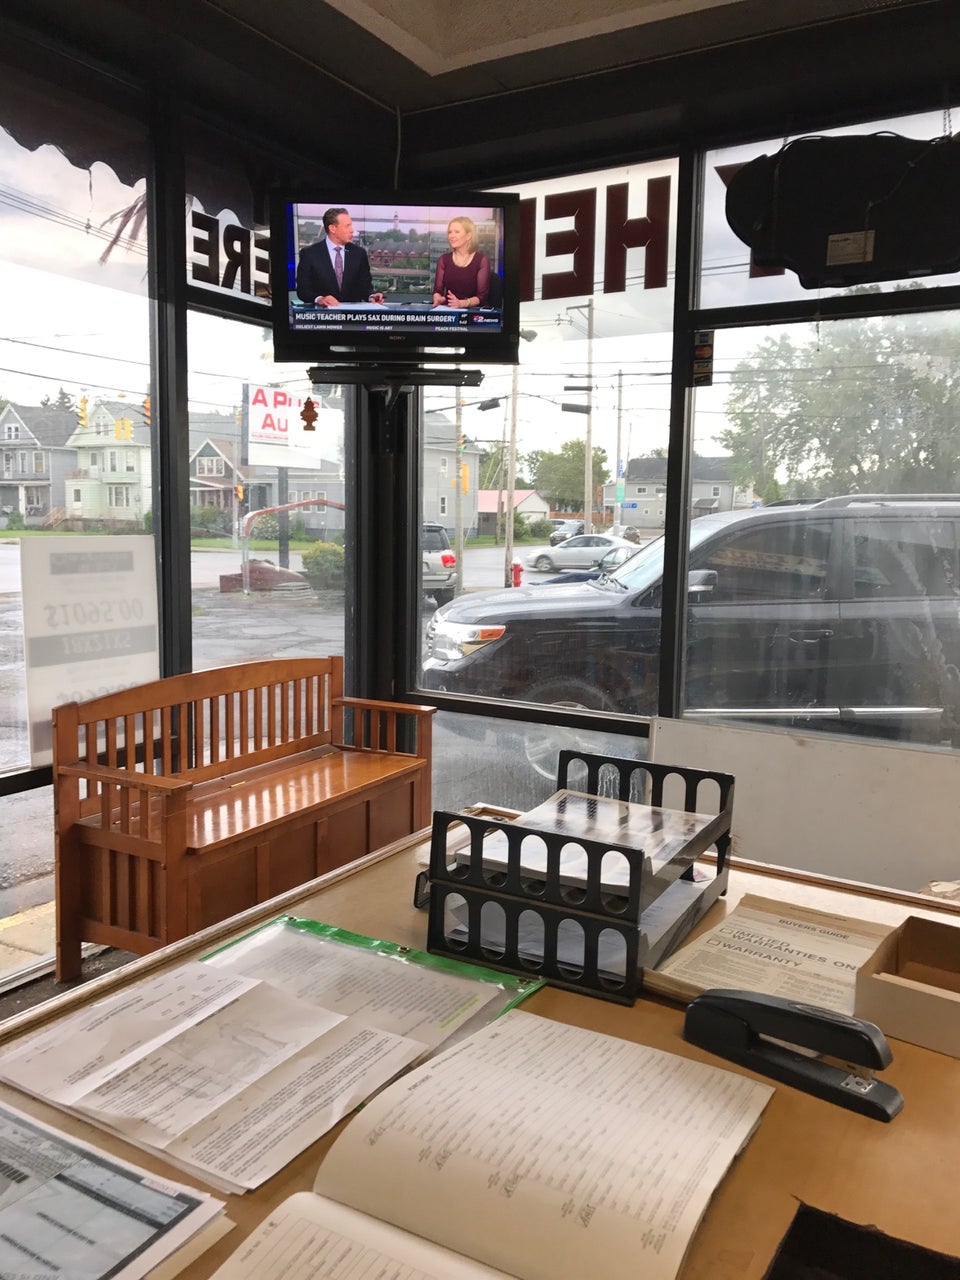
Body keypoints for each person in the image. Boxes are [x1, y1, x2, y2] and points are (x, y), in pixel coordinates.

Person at [295, 207, 385, 307]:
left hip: (352, 315)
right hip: (323, 314)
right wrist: (320, 299)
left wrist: (371, 296)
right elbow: (303, 291)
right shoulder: (309, 254)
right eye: (347, 226)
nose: (352, 230)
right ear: (332, 228)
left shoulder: (359, 253)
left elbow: (365, 286)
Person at [432, 216, 490, 308]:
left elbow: (482, 297)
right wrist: (438, 298)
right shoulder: (443, 259)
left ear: (468, 236)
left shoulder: (481, 260)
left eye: (457, 232)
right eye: (450, 232)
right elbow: (437, 291)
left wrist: (462, 303)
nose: (451, 236)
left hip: (473, 312)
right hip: (450, 310)